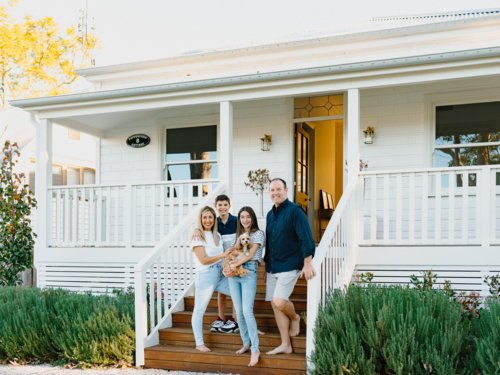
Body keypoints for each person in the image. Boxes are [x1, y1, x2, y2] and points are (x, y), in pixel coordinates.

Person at [192, 194, 265, 335]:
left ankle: (236, 319)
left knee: (235, 290)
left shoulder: (236, 221)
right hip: (221, 261)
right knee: (222, 293)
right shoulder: (214, 222)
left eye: (225, 205)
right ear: (216, 206)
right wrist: (196, 229)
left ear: (229, 206)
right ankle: (221, 317)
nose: (223, 207)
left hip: (236, 258)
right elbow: (204, 228)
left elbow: (245, 237)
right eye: (220, 205)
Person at [264, 178, 316, 355]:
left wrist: (307, 262)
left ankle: (295, 317)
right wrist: (266, 267)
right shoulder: (270, 215)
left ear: (286, 190)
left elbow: (306, 238)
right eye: (272, 190)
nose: (275, 193)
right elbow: (269, 243)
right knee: (275, 304)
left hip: (290, 264)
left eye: (278, 189)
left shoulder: (295, 211)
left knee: (279, 301)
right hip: (273, 266)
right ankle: (285, 344)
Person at [190, 206, 233, 352]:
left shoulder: (217, 236)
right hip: (206, 275)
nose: (207, 220)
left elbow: (223, 258)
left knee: (238, 293)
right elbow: (203, 259)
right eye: (204, 218)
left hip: (220, 275)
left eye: (210, 217)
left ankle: (246, 325)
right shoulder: (197, 236)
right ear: (200, 220)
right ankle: (199, 343)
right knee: (199, 310)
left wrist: (226, 267)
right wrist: (222, 256)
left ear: (214, 219)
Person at [226, 206, 264, 367]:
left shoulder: (258, 234)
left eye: (248, 216)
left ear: (252, 218)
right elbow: (232, 252)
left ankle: (256, 349)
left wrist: (233, 265)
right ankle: (246, 343)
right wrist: (226, 268)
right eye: (242, 217)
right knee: (239, 311)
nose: (245, 220)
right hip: (234, 274)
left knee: (247, 310)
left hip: (249, 270)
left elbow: (251, 252)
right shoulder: (238, 235)